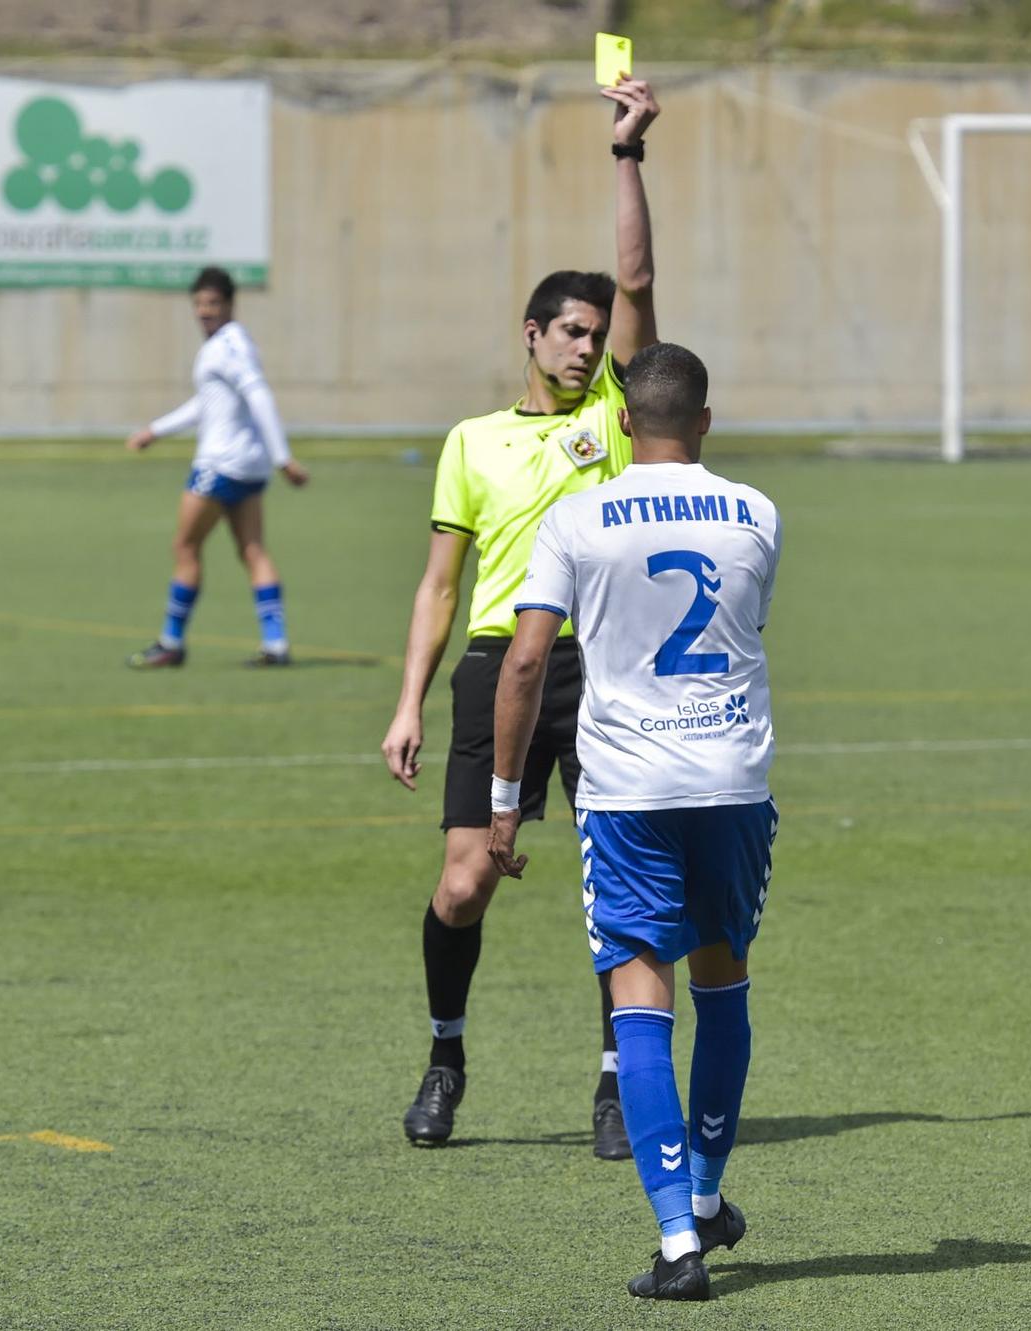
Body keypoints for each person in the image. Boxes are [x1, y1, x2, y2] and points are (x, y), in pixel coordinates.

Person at [380, 77, 663, 1156]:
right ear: (533, 335)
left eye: (597, 335)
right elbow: (439, 586)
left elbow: (635, 278)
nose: (587, 348)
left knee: (617, 886)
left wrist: (625, 154)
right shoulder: (472, 440)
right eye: (570, 333)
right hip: (497, 668)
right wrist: (406, 699)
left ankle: (611, 1080)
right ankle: (445, 1055)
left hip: (604, 671)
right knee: (464, 881)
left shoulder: (612, 417)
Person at [488, 342, 781, 1301]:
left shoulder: (576, 518)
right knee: (723, 982)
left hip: (628, 791)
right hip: (732, 780)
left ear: (621, 423)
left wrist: (504, 800)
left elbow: (527, 663)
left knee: (639, 1000)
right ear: (705, 420)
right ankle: (702, 1195)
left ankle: (675, 1243)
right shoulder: (756, 514)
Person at [125, 266, 309, 669]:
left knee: (185, 546)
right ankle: (275, 645)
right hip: (249, 467)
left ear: (229, 304)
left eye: (213, 303)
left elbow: (258, 395)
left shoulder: (225, 349)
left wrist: (284, 458)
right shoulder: (237, 343)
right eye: (199, 304)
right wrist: (155, 430)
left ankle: (171, 642)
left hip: (220, 465)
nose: (204, 311)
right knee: (253, 549)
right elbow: (207, 404)